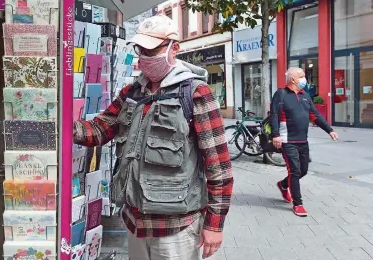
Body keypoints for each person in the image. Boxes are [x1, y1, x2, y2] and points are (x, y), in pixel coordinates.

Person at [73, 15, 233, 260]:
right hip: (134, 223)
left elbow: (218, 166)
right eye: (140, 50)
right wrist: (58, 124)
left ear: (174, 48)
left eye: (151, 49)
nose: (145, 57)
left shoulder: (196, 93)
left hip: (176, 228)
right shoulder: (132, 92)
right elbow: (99, 130)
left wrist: (214, 225)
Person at [270, 67, 339, 217]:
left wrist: (329, 130)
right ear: (293, 79)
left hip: (303, 140)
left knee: (303, 170)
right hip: (287, 140)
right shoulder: (281, 94)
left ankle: (283, 184)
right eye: (301, 76)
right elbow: (274, 114)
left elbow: (315, 116)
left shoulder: (305, 96)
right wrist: (275, 135)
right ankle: (298, 203)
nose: (304, 79)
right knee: (294, 171)